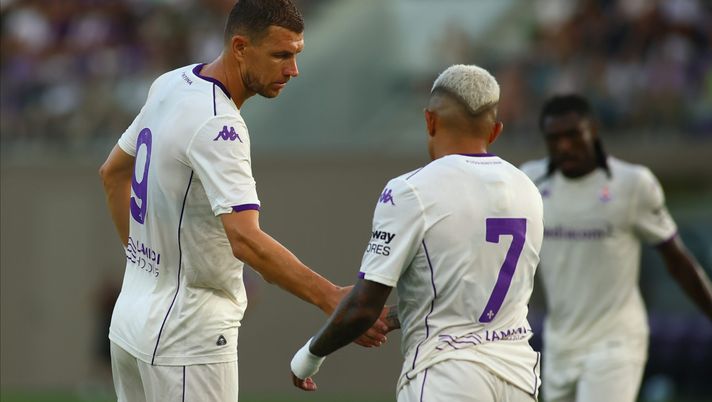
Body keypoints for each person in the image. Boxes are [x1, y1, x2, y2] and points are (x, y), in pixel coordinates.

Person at [98, 1, 386, 400]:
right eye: (281, 55)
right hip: (187, 335)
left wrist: (144, 261)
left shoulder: (170, 83)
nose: (293, 70)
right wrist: (330, 297)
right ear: (240, 47)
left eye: (296, 55)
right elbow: (246, 240)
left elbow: (112, 174)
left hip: (131, 321)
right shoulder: (220, 124)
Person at [290, 64, 545, 402]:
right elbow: (473, 297)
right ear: (495, 131)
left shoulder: (411, 190)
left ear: (429, 120)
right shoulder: (528, 189)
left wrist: (308, 357)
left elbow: (363, 307)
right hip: (519, 377)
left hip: (448, 374)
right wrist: (398, 315)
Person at [519, 94, 712, 402]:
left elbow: (676, 260)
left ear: (593, 130)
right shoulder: (529, 181)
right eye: (554, 139)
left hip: (616, 342)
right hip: (560, 343)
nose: (564, 146)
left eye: (573, 135)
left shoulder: (632, 184)